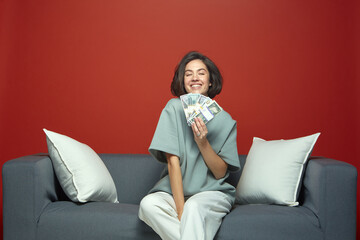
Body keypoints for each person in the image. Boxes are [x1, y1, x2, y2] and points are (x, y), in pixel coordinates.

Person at [138, 51, 240, 240]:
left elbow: (220, 173)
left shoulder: (225, 120)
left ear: (210, 81)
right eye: (188, 73)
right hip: (174, 192)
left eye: (201, 73)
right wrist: (180, 212)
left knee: (194, 207)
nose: (194, 77)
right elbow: (172, 163)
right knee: (148, 205)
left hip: (212, 193)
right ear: (182, 80)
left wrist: (202, 143)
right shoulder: (174, 108)